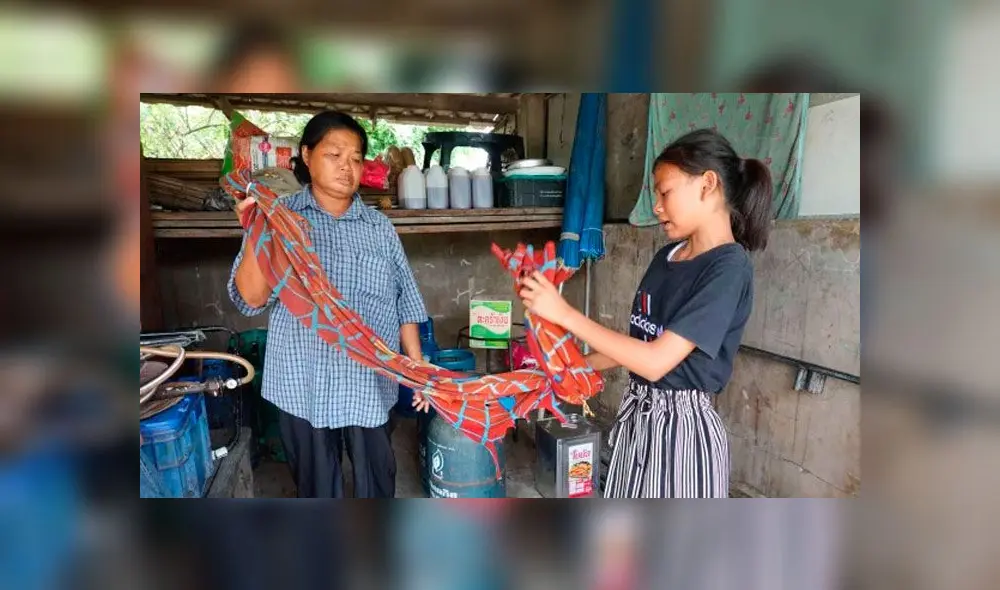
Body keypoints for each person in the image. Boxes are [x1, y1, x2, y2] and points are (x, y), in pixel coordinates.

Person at [520, 129, 772, 498]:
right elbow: (639, 343)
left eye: (664, 191)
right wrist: (569, 368)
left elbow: (656, 362)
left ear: (707, 184)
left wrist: (563, 314)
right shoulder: (665, 257)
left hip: (682, 435)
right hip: (636, 421)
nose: (656, 205)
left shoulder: (728, 268)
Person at [228, 111, 427, 498]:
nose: (346, 167)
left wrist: (417, 366)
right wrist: (255, 229)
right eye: (334, 154)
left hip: (370, 380)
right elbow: (251, 300)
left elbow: (407, 300)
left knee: (378, 482)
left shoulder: (379, 228)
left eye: (355, 158)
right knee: (318, 489)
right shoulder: (279, 217)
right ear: (306, 154)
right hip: (304, 382)